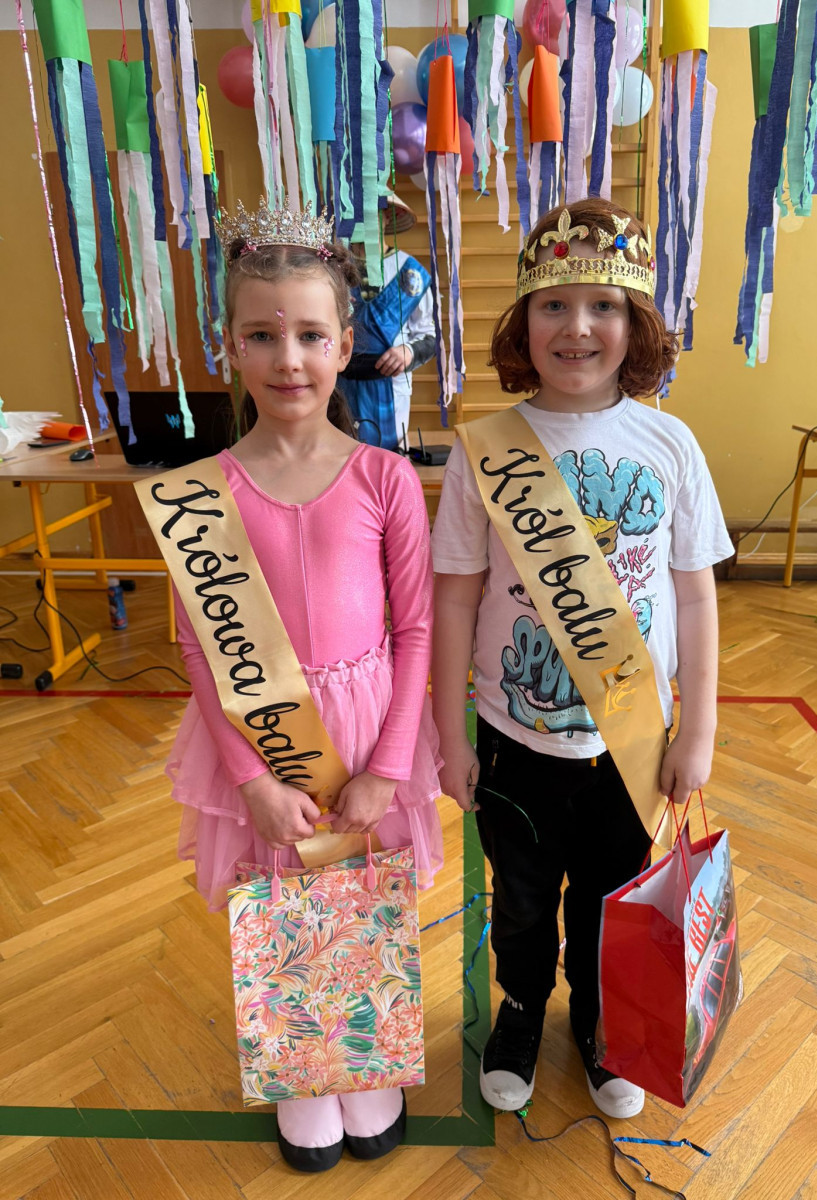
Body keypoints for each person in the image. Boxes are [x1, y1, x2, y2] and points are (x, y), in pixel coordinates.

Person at [154, 201, 443, 1172]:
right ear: (229, 345)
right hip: (260, 733)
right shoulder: (201, 493)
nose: (290, 359)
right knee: (279, 898)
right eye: (263, 335)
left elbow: (416, 628)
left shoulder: (385, 478)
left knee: (362, 898)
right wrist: (250, 779)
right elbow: (200, 650)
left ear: (345, 345)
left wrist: (389, 766)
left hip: (369, 729)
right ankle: (301, 1074)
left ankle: (363, 1061)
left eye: (312, 335)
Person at [430, 197, 733, 1120]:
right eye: (553, 305)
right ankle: (523, 1010)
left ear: (635, 325)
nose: (577, 327)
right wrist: (451, 736)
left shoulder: (670, 443)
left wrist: (699, 730)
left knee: (611, 899)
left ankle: (602, 1024)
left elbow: (695, 596)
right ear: (523, 322)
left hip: (632, 743)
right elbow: (455, 598)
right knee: (521, 902)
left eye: (604, 305)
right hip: (514, 737)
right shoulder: (484, 449)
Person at [341, 192, 436, 451]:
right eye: (357, 214)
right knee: (342, 457)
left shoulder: (410, 271)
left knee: (388, 458)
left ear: (386, 218)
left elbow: (430, 336)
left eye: (372, 214)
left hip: (391, 385)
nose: (364, 221)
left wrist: (409, 352)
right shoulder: (332, 269)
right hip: (339, 384)